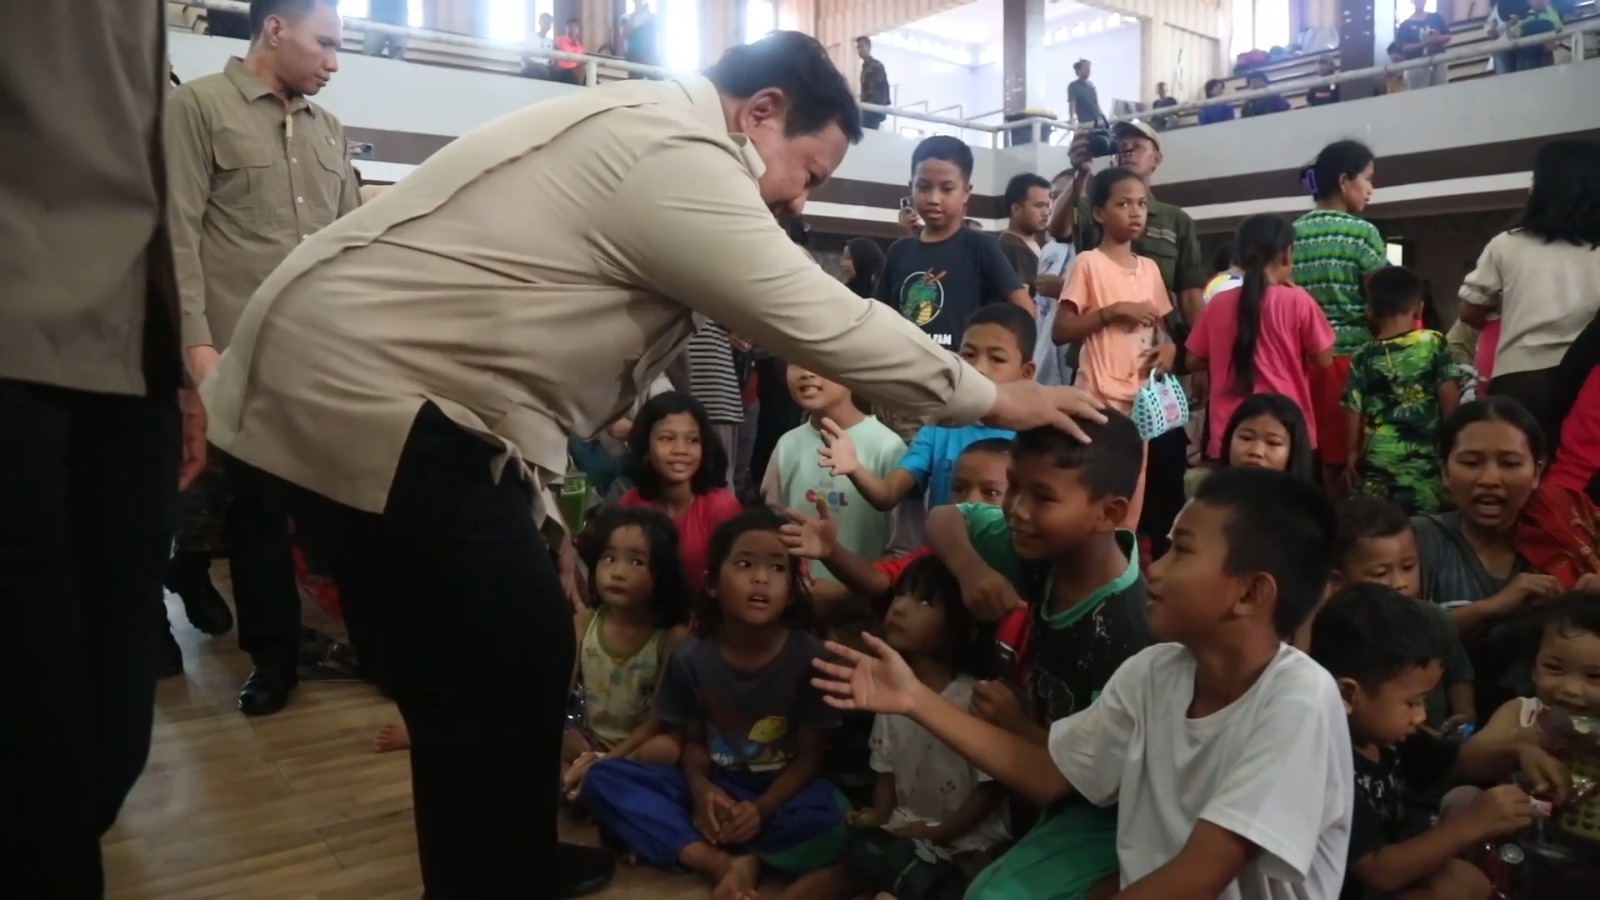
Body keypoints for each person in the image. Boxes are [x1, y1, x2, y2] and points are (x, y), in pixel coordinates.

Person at [200, 30, 1107, 896]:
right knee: (495, 662)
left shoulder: (652, 139)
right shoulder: (678, 153)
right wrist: (1000, 400)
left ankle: (508, 861)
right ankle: (490, 880)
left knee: (496, 660)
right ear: (761, 111)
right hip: (367, 392)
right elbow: (821, 315)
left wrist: (539, 516)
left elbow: (527, 372)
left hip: (401, 397)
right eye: (809, 173)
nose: (801, 201)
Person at [813, 467, 1354, 898]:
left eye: (1182, 551)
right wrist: (913, 699)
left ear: (1251, 594)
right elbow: (1052, 775)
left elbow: (1199, 876)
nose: (1156, 569)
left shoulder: (1298, 700)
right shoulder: (1154, 672)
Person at [0, 1, 206, 893]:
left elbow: (142, 158)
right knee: (36, 761)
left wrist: (177, 364)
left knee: (107, 741)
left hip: (128, 356)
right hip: (14, 333)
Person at [167, 0, 362, 711]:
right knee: (257, 519)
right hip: (239, 360)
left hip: (320, 361)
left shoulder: (329, 129)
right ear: (275, 29)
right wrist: (197, 348)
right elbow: (178, 234)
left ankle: (376, 645)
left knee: (347, 511)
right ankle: (273, 661)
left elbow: (352, 247)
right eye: (325, 44)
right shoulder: (197, 108)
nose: (334, 62)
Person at [920, 413, 1150, 900]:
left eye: (1042, 497)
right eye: (1013, 487)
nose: (1016, 510)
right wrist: (971, 570)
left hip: (1107, 815)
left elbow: (1091, 778)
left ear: (1108, 513)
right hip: (1047, 778)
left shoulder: (1128, 634)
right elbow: (945, 517)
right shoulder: (1046, 548)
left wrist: (1018, 726)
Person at [584, 508, 847, 899]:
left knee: (836, 824)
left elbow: (811, 759)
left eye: (777, 568)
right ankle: (717, 861)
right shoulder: (691, 656)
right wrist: (701, 792)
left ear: (792, 590)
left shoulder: (811, 657)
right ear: (711, 583)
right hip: (719, 785)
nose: (761, 578)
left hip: (783, 794)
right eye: (744, 564)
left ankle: (726, 853)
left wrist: (761, 809)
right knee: (603, 780)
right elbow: (693, 744)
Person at [782, 555, 1008, 900]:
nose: (900, 608)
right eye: (901, 594)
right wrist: (879, 820)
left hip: (969, 843)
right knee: (844, 874)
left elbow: (989, 791)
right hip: (906, 828)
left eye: (924, 601)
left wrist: (938, 834)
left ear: (961, 621)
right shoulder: (888, 692)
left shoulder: (975, 699)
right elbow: (886, 774)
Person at [1308, 584, 1534, 900]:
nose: (1421, 715)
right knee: (1457, 883)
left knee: (1465, 804)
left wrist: (1520, 754)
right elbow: (1379, 872)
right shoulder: (1327, 764)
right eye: (1412, 702)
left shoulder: (1388, 736)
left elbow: (1458, 762)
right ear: (1348, 694)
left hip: (1394, 866)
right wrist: (1472, 825)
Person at [1415, 398, 1562, 713]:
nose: (1490, 479)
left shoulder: (1566, 546)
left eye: (1509, 464)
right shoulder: (1417, 540)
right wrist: (1491, 607)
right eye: (1471, 462)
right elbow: (1391, 639)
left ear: (1537, 472)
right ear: (1445, 471)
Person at [1052, 167, 1175, 529]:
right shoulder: (1088, 263)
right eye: (1123, 204)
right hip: (1097, 395)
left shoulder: (1149, 268)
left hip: (1141, 400)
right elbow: (1061, 331)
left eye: (1141, 204)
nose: (1136, 212)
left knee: (1132, 486)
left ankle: (1123, 554)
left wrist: (1169, 348)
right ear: (1098, 213)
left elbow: (1160, 330)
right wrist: (1111, 312)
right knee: (1092, 482)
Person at [821, 306, 1033, 510]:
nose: (979, 368)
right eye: (969, 355)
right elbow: (887, 495)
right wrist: (854, 467)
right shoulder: (938, 429)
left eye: (997, 359)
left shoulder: (1033, 436)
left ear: (1026, 373)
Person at [1459, 139, 1600, 441]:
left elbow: (1469, 313)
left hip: (1521, 380)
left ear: (1540, 188)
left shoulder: (1507, 244)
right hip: (1591, 380)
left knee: (1520, 464)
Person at [785, 438, 1014, 615]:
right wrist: (830, 551)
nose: (970, 501)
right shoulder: (935, 556)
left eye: (991, 492)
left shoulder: (1022, 560)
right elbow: (876, 581)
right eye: (959, 488)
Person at [562, 507, 694, 796]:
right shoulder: (583, 623)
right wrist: (570, 738)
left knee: (666, 748)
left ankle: (594, 780)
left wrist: (607, 761)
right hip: (589, 741)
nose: (618, 572)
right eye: (609, 558)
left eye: (636, 562)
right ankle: (584, 781)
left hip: (636, 749)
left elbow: (659, 719)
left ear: (662, 573)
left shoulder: (671, 637)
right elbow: (560, 693)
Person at [1187, 214, 1334, 464]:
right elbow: (1324, 358)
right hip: (1283, 432)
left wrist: (1225, 356)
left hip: (1232, 432)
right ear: (1286, 255)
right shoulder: (1298, 300)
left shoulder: (1219, 303)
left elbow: (1193, 360)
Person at [1331, 499, 1477, 732]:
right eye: (1380, 573)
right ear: (1338, 581)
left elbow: (1458, 676)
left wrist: (1464, 715)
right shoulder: (1334, 633)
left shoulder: (1436, 621)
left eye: (1408, 567)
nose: (1400, 583)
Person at [876, 136, 1034, 349]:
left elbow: (1024, 311)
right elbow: (880, 316)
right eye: (923, 187)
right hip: (903, 365)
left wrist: (989, 355)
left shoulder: (981, 247)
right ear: (911, 188)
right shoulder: (899, 251)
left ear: (966, 193)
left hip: (959, 369)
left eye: (947, 189)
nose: (934, 199)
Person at [1294, 139, 1387, 494]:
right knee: (1345, 467)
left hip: (1300, 364)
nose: (1371, 190)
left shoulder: (1292, 233)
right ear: (1345, 180)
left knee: (1305, 461)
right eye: (1368, 179)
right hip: (1350, 364)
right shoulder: (1363, 233)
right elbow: (1382, 302)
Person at [762, 363, 905, 581]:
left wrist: (843, 593)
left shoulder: (888, 447)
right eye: (795, 361)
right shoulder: (787, 444)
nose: (807, 373)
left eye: (818, 360)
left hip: (865, 594)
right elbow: (772, 528)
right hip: (797, 593)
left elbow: (902, 549)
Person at [1344, 266, 1464, 515]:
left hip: (1378, 455)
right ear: (1419, 308)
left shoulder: (1362, 355)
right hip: (1423, 457)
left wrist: (1352, 452)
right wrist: (1453, 442)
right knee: (1424, 522)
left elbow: (1353, 408)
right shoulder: (1432, 342)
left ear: (1370, 311)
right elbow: (1448, 397)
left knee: (1379, 520)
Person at [620, 392, 744, 598]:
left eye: (692, 440)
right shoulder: (630, 504)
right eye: (667, 438)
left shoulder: (723, 508)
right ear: (645, 448)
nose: (681, 450)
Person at [1395, 0, 1452, 90]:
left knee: (1440, 91)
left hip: (1438, 61)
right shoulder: (1405, 25)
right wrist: (1424, 44)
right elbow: (1403, 47)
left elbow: (1447, 36)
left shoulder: (1437, 18)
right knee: (1419, 94)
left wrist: (1437, 39)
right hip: (1416, 64)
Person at [856, 36, 890, 130]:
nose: (860, 50)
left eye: (862, 47)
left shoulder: (876, 66)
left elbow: (880, 89)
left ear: (869, 47)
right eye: (858, 47)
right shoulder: (866, 66)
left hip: (873, 109)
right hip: (867, 108)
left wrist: (874, 107)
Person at [1067, 59, 1101, 124]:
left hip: (1099, 119)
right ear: (1078, 70)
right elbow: (1072, 104)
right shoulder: (1073, 86)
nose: (1088, 70)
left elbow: (1096, 105)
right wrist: (1072, 119)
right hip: (1087, 123)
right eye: (1085, 67)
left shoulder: (1091, 86)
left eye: (1089, 67)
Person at [553, 17, 585, 85]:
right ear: (566, 28)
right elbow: (554, 57)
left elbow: (580, 63)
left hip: (575, 72)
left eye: (575, 27)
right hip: (562, 70)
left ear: (578, 29)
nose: (572, 29)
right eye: (570, 27)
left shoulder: (579, 47)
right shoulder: (560, 40)